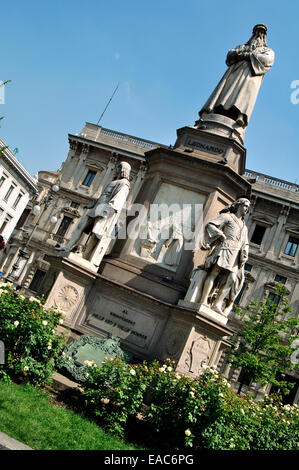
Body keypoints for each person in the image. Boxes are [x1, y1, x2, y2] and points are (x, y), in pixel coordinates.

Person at [199, 24, 274, 128]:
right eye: (256, 32)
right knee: (224, 93)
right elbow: (230, 55)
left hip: (250, 76)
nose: (258, 35)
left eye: (261, 33)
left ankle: (240, 116)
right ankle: (211, 111)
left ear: (264, 37)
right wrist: (241, 53)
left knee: (243, 96)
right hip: (234, 73)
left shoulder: (267, 51)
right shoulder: (242, 47)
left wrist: (247, 55)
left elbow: (267, 60)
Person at [57, 161, 131, 256]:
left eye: (118, 168)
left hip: (104, 210)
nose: (116, 170)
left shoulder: (124, 183)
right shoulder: (114, 181)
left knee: (97, 234)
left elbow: (118, 199)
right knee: (80, 226)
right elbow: (102, 196)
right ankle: (68, 247)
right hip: (96, 209)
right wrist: (91, 206)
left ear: (123, 170)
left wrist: (108, 211)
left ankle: (87, 255)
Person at [199, 198, 250, 315]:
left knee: (231, 279)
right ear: (238, 206)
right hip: (225, 247)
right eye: (245, 206)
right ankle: (203, 300)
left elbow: (245, 242)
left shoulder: (244, 227)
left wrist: (245, 253)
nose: (246, 209)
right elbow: (211, 225)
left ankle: (217, 304)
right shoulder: (228, 217)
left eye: (248, 207)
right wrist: (220, 234)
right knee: (214, 272)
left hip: (236, 254)